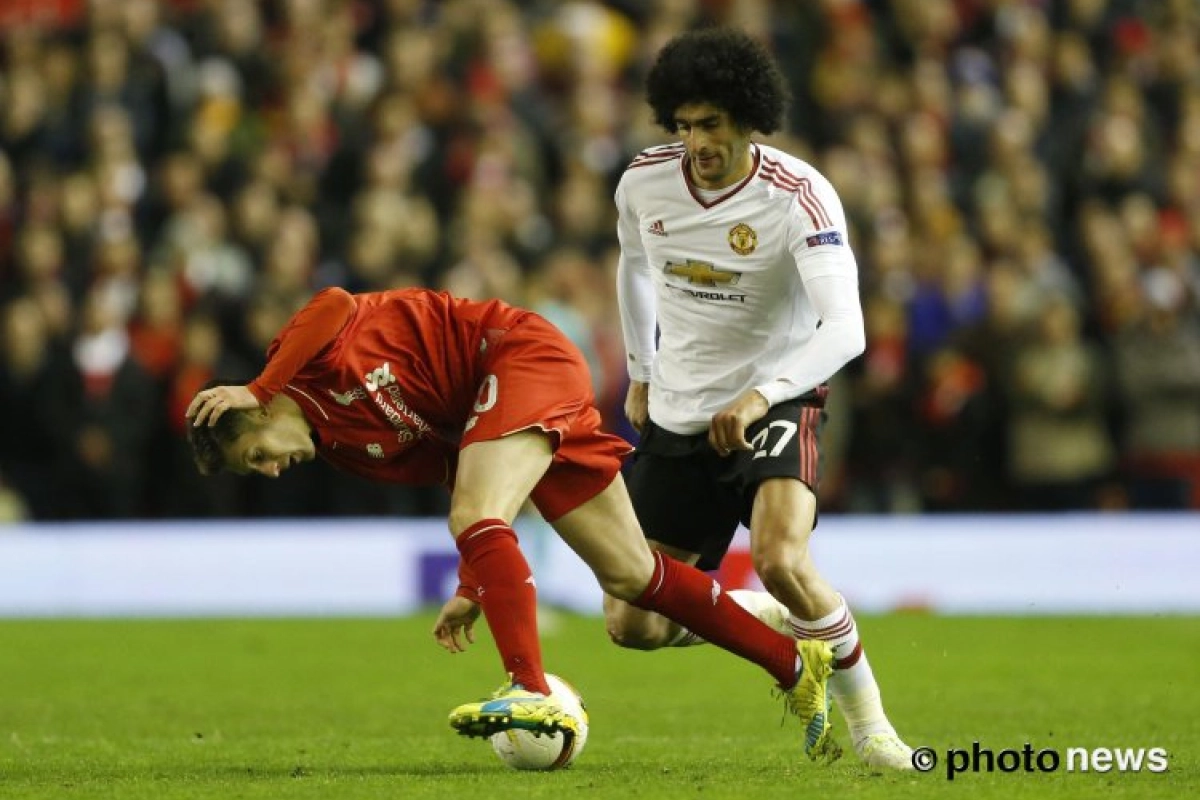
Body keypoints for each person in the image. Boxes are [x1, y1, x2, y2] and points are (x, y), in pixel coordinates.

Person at [184, 284, 836, 753]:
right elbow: (459, 474)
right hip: (499, 409)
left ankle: (529, 685)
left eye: (258, 455)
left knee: (479, 514)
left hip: (517, 355)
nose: (271, 470)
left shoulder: (302, 363)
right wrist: (473, 584)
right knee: (634, 578)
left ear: (261, 414)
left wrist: (259, 384)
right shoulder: (350, 451)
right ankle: (791, 665)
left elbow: (332, 301)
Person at [604, 27, 913, 769]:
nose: (696, 142)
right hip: (679, 410)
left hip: (776, 397)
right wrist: (641, 371)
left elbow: (847, 328)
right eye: (683, 125)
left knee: (779, 556)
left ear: (748, 117)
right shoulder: (643, 181)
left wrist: (761, 395)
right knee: (630, 624)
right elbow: (634, 268)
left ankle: (874, 732)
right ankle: (769, 621)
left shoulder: (797, 196)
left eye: (711, 124)